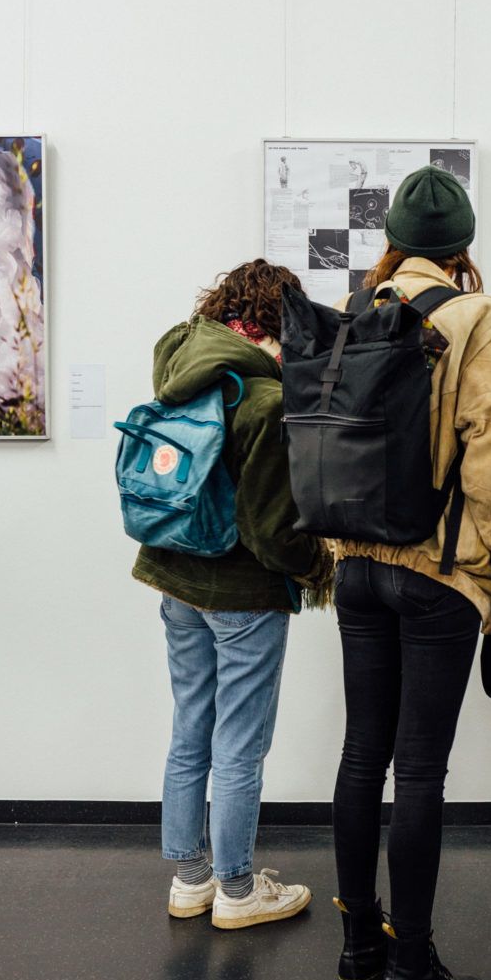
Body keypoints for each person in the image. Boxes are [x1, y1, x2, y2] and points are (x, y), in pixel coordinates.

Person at [330, 166, 491, 980]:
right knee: (420, 768)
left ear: (393, 239)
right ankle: (412, 971)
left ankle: (359, 952)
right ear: (462, 244)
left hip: (354, 566)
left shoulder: (356, 311)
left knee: (361, 756)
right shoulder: (477, 317)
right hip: (435, 576)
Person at [132, 259, 332, 930]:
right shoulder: (264, 400)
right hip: (244, 593)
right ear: (279, 323)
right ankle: (240, 892)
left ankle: (191, 879)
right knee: (239, 745)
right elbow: (273, 530)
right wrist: (317, 568)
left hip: (174, 579)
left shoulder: (183, 371)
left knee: (191, 728)